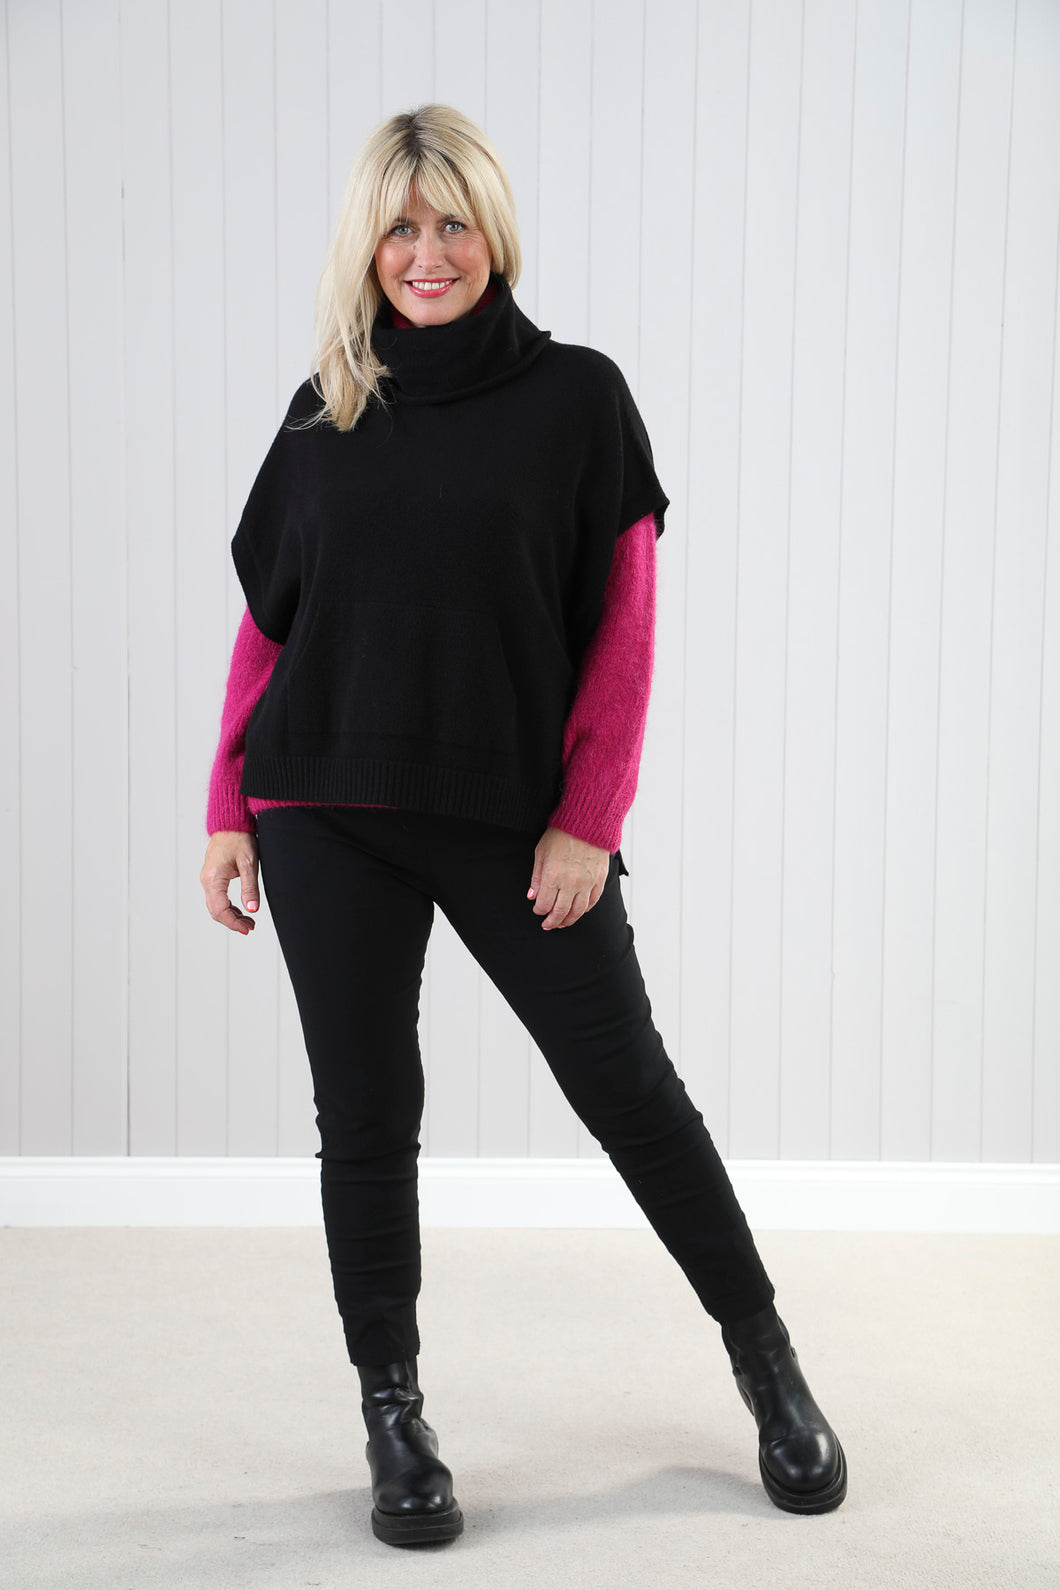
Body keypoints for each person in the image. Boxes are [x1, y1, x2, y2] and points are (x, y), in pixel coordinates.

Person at [200, 103, 847, 1549]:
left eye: (452, 222)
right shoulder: (325, 410)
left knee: (632, 1091)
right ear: (367, 245)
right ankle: (393, 1413)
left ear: (493, 231)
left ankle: (765, 1360)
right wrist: (226, 807)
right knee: (367, 1115)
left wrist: (588, 820)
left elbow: (625, 633)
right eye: (399, 225)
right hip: (321, 808)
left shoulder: (579, 400)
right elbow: (268, 631)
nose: (426, 252)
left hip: (514, 821)